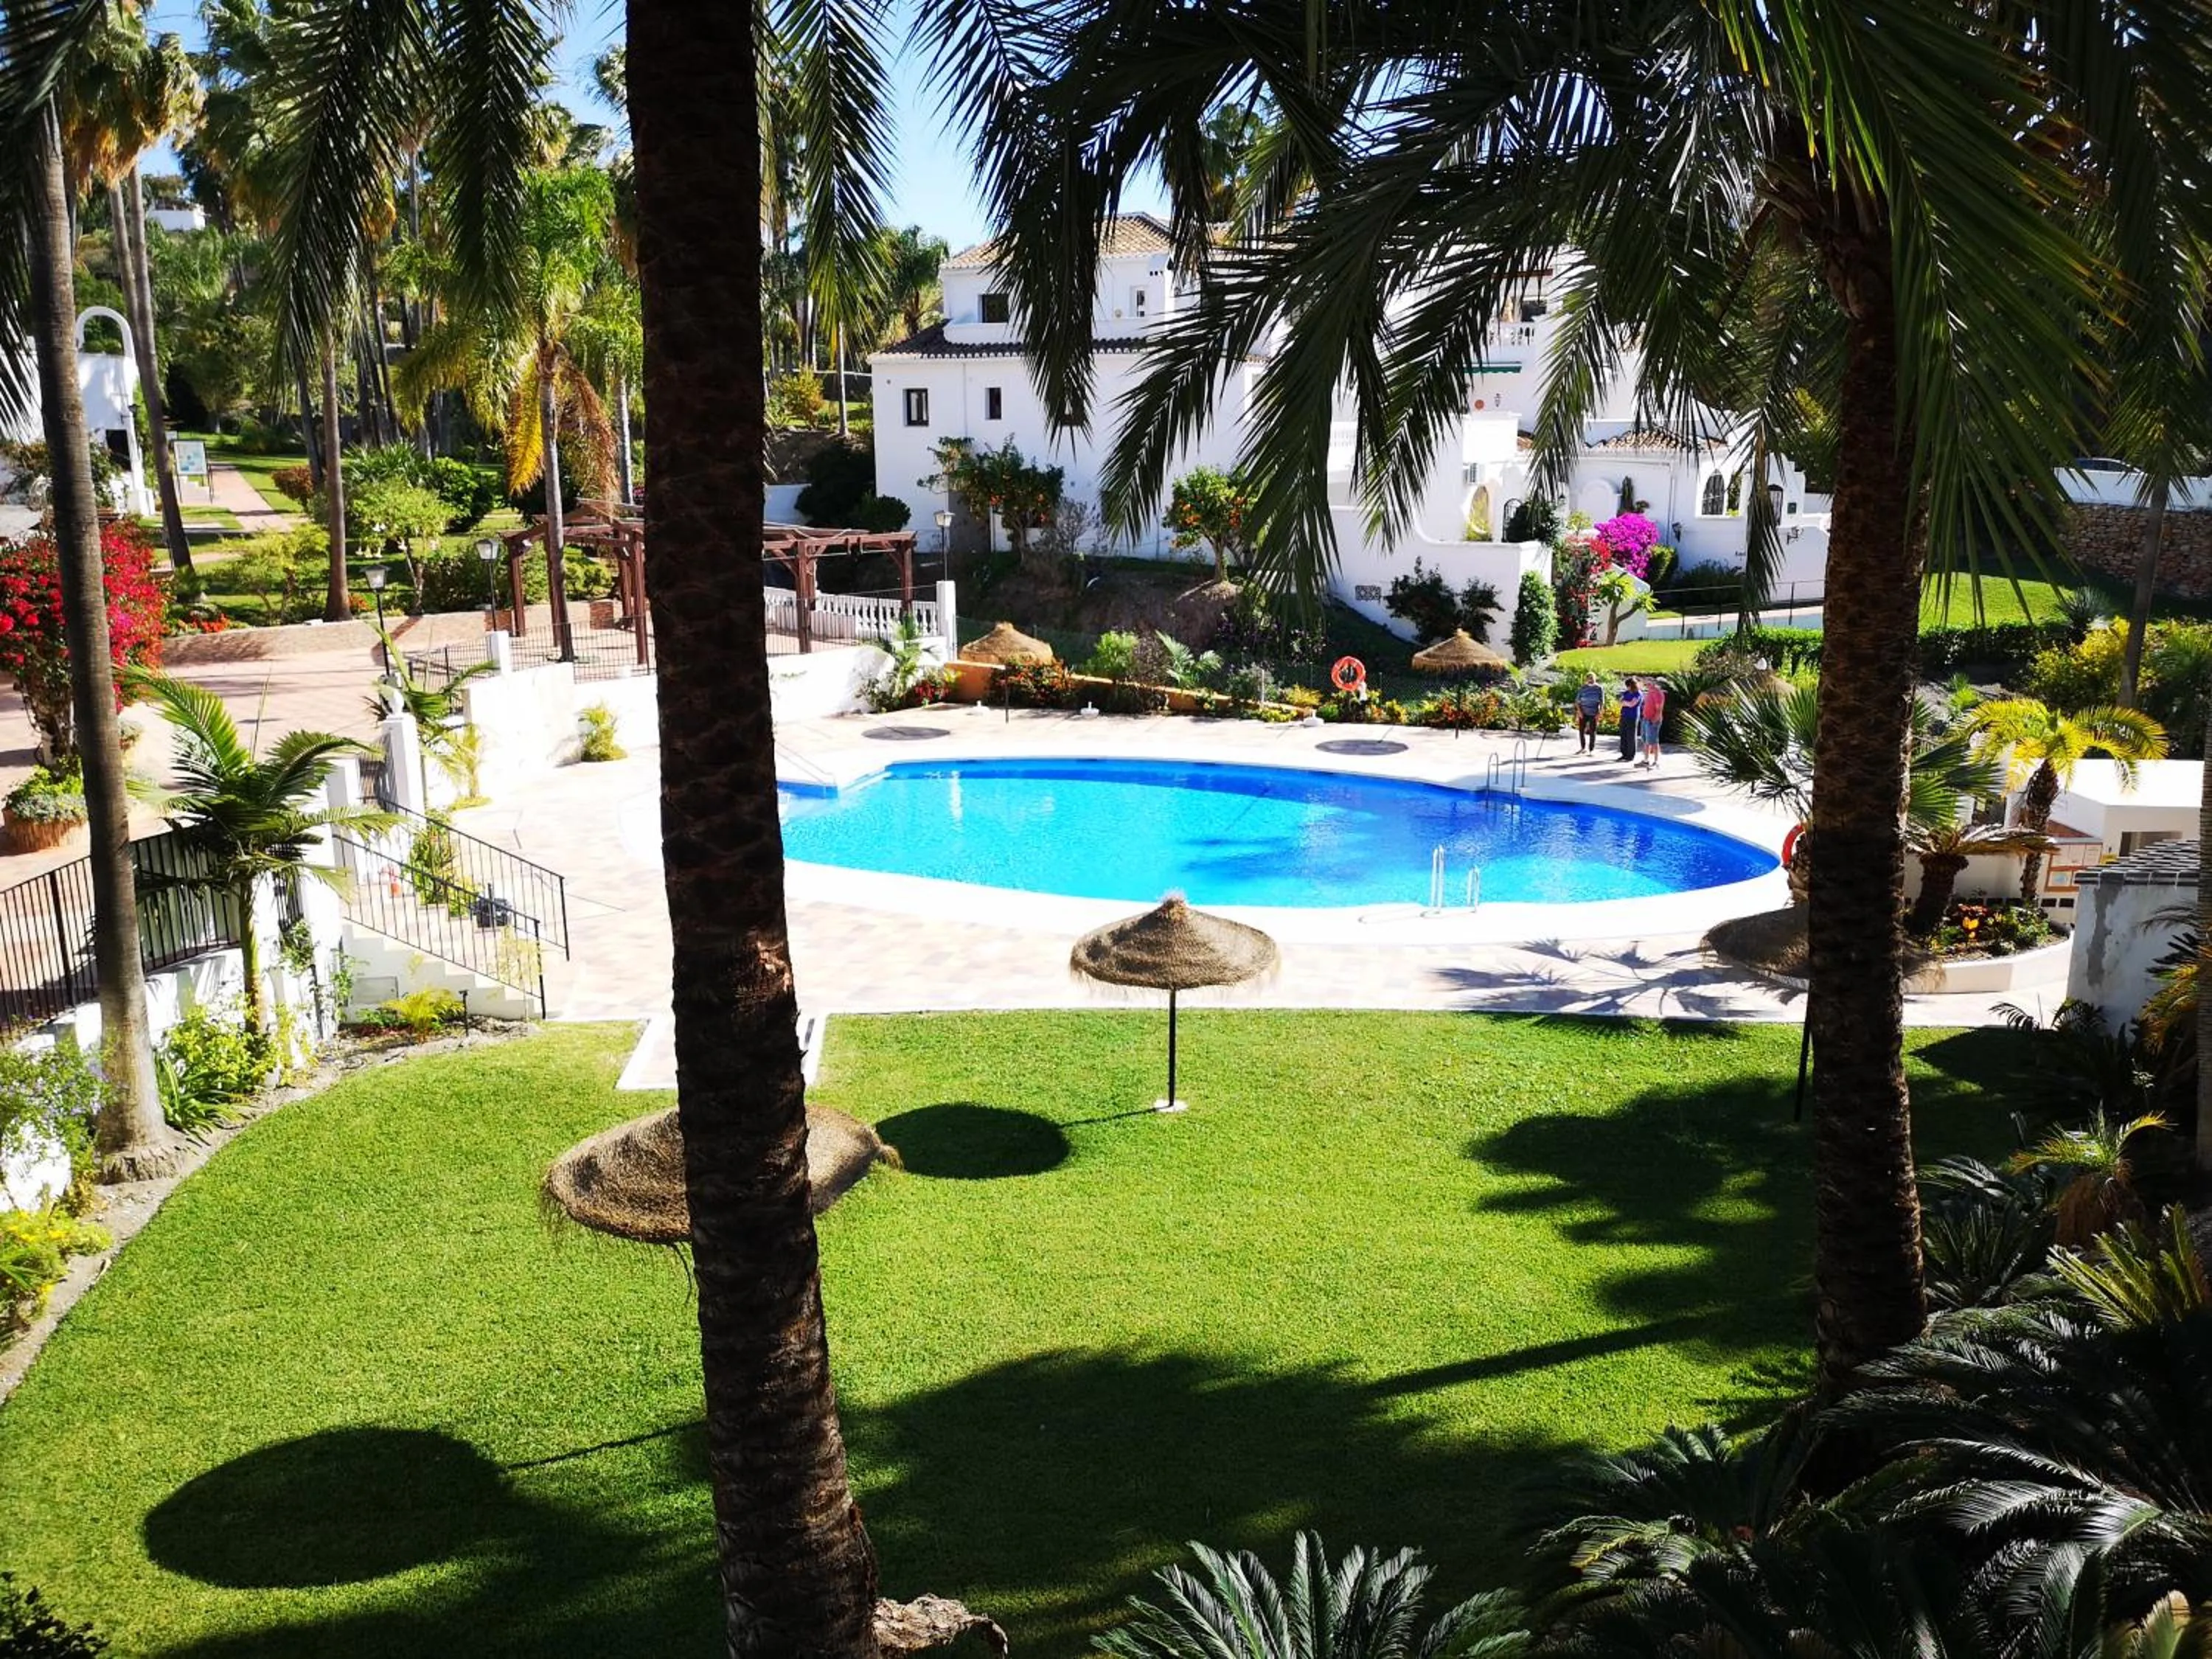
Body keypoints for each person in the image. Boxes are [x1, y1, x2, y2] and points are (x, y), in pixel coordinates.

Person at [1638, 675, 1668, 768]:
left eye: (1649, 683)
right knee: (1646, 740)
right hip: (1646, 719)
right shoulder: (1650, 692)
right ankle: (1646, 760)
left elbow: (1659, 709)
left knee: (1654, 741)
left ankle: (1656, 762)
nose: (1647, 685)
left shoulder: (1657, 693)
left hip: (1653, 720)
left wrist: (1655, 720)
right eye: (1646, 683)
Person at [1574, 671, 1604, 754]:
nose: (1591, 680)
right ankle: (1583, 748)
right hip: (1583, 712)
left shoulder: (1599, 688)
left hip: (1594, 712)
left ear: (1595, 679)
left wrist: (1599, 713)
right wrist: (1579, 712)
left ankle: (1591, 749)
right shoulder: (1583, 688)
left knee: (1592, 731)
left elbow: (1602, 702)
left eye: (1592, 679)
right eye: (1589, 678)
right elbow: (1577, 701)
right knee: (1581, 730)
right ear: (1586, 679)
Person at [1616, 677, 1641, 762]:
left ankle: (1630, 755)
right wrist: (1624, 703)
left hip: (1632, 717)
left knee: (1631, 736)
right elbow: (1620, 702)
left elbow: (1632, 704)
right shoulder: (1626, 693)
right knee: (1623, 735)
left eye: (1628, 686)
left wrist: (1625, 703)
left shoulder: (1638, 694)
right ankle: (1624, 754)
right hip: (1624, 715)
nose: (1627, 687)